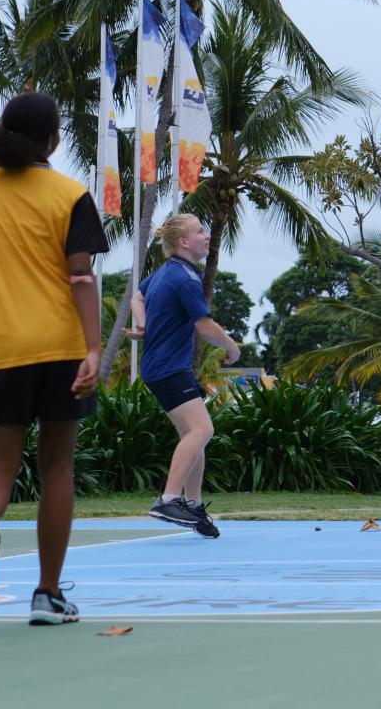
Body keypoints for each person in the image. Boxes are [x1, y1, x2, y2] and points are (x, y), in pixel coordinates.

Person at [0, 92, 108, 625]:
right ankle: (47, 594)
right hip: (60, 346)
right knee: (56, 466)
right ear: (53, 140)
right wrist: (92, 347)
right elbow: (80, 275)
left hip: (0, 347)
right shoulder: (70, 194)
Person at [126, 212, 240, 537]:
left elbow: (137, 295)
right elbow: (204, 326)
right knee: (203, 429)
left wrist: (143, 323)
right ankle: (168, 499)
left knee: (194, 435)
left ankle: (193, 505)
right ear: (183, 242)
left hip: (163, 369)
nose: (207, 235)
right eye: (200, 230)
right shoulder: (184, 279)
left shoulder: (166, 273)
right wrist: (232, 349)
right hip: (167, 369)